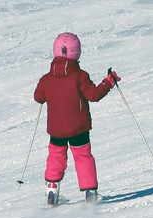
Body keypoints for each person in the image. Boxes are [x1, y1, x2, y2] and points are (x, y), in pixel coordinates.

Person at [34, 32, 120, 205]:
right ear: (77, 52)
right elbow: (94, 95)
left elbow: (38, 97)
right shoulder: (80, 76)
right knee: (83, 157)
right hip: (78, 128)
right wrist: (108, 82)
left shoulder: (46, 78)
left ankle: (52, 192)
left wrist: (47, 88)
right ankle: (90, 194)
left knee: (56, 157)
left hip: (56, 129)